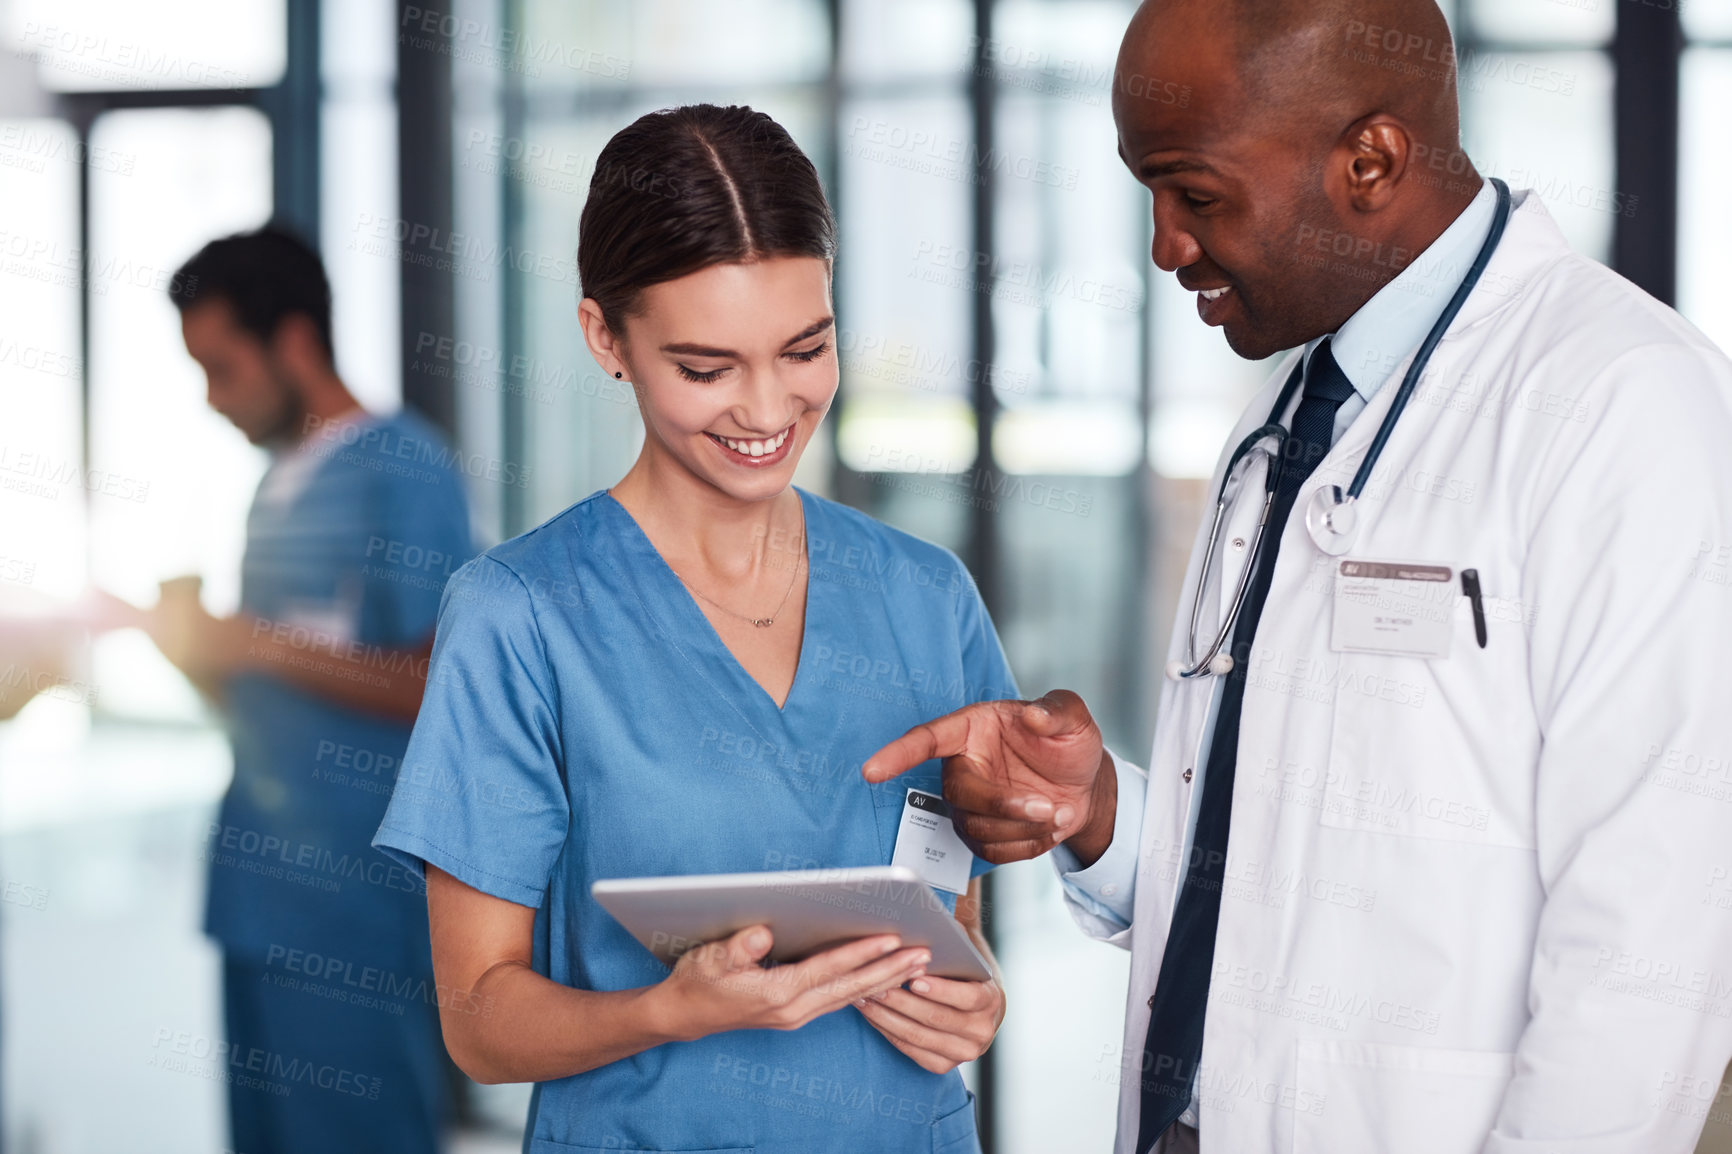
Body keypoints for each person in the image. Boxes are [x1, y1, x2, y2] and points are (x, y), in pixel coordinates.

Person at [862, 2, 1732, 1152]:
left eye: (1196, 194)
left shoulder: (1624, 407)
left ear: (1368, 159)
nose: (1165, 244)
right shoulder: (1298, 404)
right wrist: (1105, 814)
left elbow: (1648, 961)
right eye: (1148, 195)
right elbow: (1293, 858)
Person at [373, 104, 1014, 1154]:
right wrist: (669, 1009)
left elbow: (950, 914)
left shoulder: (925, 596)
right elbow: (479, 1019)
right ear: (604, 338)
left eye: (805, 348)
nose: (768, 408)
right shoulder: (522, 618)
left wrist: (973, 997)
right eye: (706, 369)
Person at [148, 227, 473, 1154]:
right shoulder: (274, 485)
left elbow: (437, 688)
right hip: (257, 892)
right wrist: (200, 654)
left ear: (294, 340)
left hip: (353, 902)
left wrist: (253, 644)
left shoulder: (405, 470)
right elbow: (267, 703)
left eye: (222, 366)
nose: (213, 398)